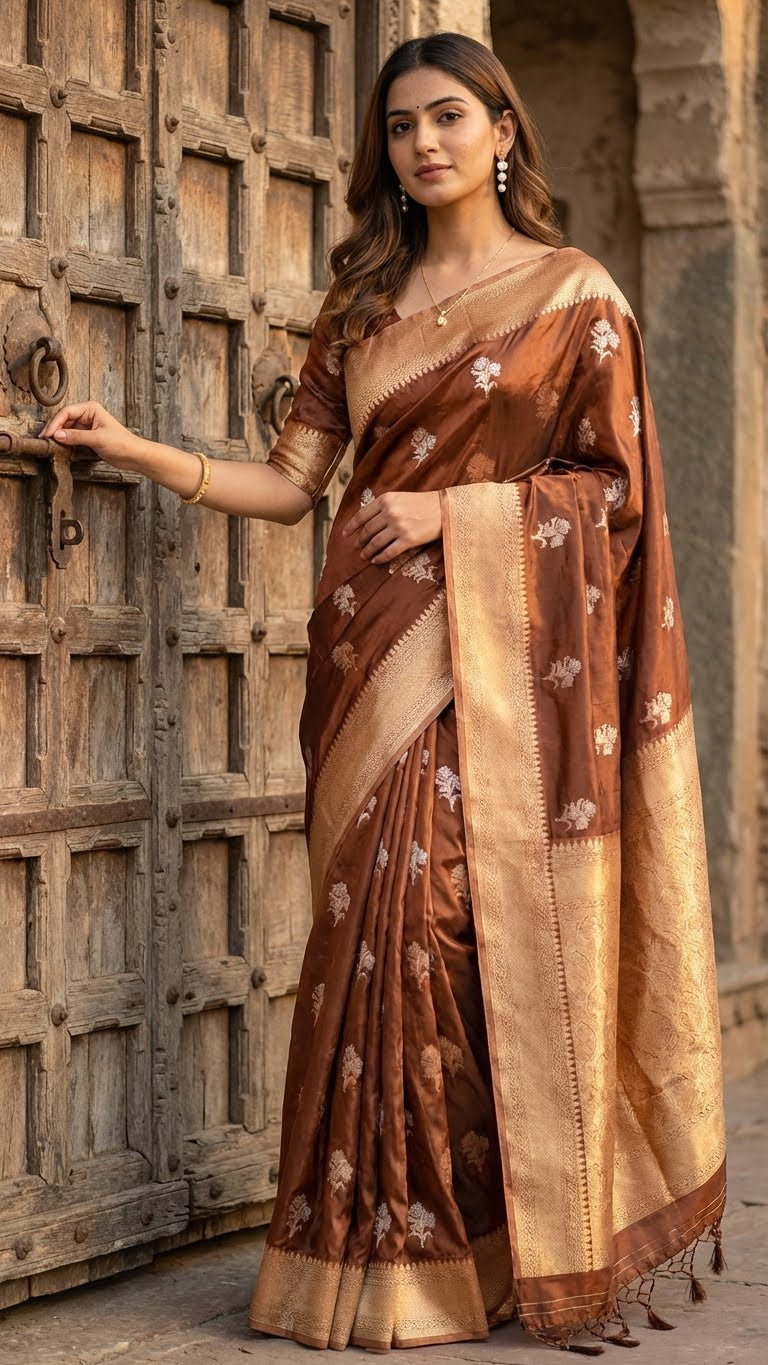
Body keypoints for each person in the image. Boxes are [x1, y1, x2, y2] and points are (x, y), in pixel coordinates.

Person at [41, 30, 727, 1358]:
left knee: (454, 931)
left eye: (449, 116)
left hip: (511, 666)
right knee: (367, 939)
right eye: (403, 124)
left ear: (503, 130)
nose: (424, 143)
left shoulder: (576, 298)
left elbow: (616, 494)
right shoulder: (359, 307)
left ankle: (519, 1250)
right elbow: (293, 484)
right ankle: (378, 1265)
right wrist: (138, 449)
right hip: (368, 654)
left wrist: (447, 510)